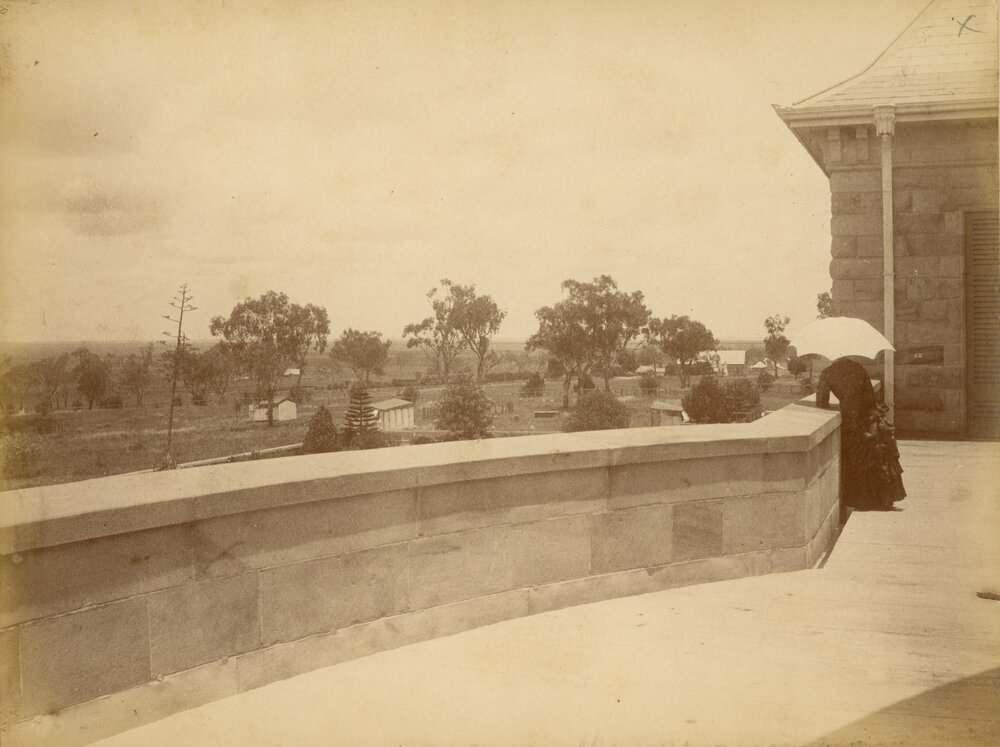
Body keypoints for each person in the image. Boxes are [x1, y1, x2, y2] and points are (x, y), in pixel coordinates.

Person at [816, 357, 906, 511]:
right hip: (864, 420)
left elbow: (821, 401)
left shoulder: (827, 373)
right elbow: (870, 397)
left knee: (852, 461)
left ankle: (857, 500)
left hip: (849, 423)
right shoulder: (859, 369)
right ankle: (876, 499)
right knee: (869, 459)